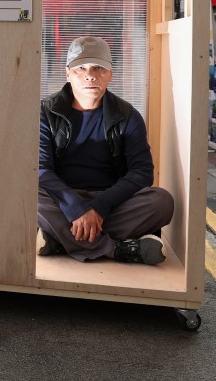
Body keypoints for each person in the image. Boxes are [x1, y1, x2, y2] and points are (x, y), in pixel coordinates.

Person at [39, 36, 174, 265]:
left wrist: (98, 208)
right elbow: (41, 169)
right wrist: (76, 209)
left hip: (110, 202)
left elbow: (142, 172)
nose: (90, 75)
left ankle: (61, 239)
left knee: (161, 202)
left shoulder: (127, 115)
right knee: (27, 195)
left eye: (99, 68)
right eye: (80, 68)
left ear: (110, 74)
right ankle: (116, 249)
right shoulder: (46, 112)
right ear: (68, 74)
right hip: (62, 200)